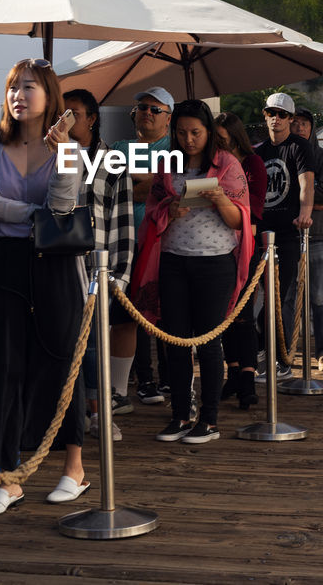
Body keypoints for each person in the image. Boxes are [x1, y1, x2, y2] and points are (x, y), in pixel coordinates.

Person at [0, 59, 86, 516]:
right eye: (13, 88)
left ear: (50, 97)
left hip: (55, 264)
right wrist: (34, 215)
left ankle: (74, 467)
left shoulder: (71, 150)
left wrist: (60, 155)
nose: (19, 95)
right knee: (4, 367)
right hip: (3, 263)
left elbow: (63, 206)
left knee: (61, 361)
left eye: (29, 87)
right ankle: (7, 475)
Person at [137, 100, 253, 443]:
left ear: (208, 133)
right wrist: (168, 210)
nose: (189, 139)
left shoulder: (227, 165)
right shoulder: (167, 165)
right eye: (183, 132)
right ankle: (180, 415)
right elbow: (153, 210)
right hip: (173, 259)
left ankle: (210, 418)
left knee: (209, 342)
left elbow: (241, 219)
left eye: (196, 132)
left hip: (215, 261)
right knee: (175, 340)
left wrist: (220, 199)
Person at [63, 88, 135, 442]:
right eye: (61, 112)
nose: (65, 119)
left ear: (92, 118)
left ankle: (98, 413)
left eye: (73, 113)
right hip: (61, 262)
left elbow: (123, 219)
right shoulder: (55, 153)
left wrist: (119, 276)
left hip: (98, 264)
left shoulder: (113, 160)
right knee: (64, 343)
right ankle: (65, 415)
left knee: (93, 345)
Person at [111, 87, 176, 406]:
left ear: (169, 117)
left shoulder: (175, 147)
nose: (146, 113)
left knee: (165, 312)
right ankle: (144, 379)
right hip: (124, 243)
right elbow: (113, 189)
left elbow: (165, 187)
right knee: (128, 313)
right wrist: (145, 183)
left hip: (165, 242)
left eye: (155, 109)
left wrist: (140, 182)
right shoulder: (119, 147)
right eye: (141, 107)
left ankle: (167, 379)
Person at [253, 92, 314, 377]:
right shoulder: (259, 151)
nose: (275, 119)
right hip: (260, 232)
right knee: (255, 296)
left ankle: (281, 359)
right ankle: (262, 350)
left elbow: (306, 184)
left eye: (281, 114)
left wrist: (305, 211)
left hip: (288, 233)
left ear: (290, 118)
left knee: (278, 297)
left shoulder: (299, 147)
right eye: (270, 113)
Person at [215, 110, 267, 408]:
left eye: (223, 140)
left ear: (236, 138)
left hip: (246, 240)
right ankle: (233, 371)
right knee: (224, 314)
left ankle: (248, 377)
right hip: (218, 243)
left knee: (244, 313)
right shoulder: (214, 164)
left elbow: (257, 208)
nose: (219, 146)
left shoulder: (254, 163)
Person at [291, 108, 323, 372]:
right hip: (288, 234)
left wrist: (303, 197)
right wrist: (307, 195)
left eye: (304, 123)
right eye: (294, 123)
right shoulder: (284, 155)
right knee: (286, 297)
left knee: (319, 297)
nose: (298, 128)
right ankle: (285, 353)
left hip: (317, 234)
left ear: (311, 127)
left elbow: (321, 196)